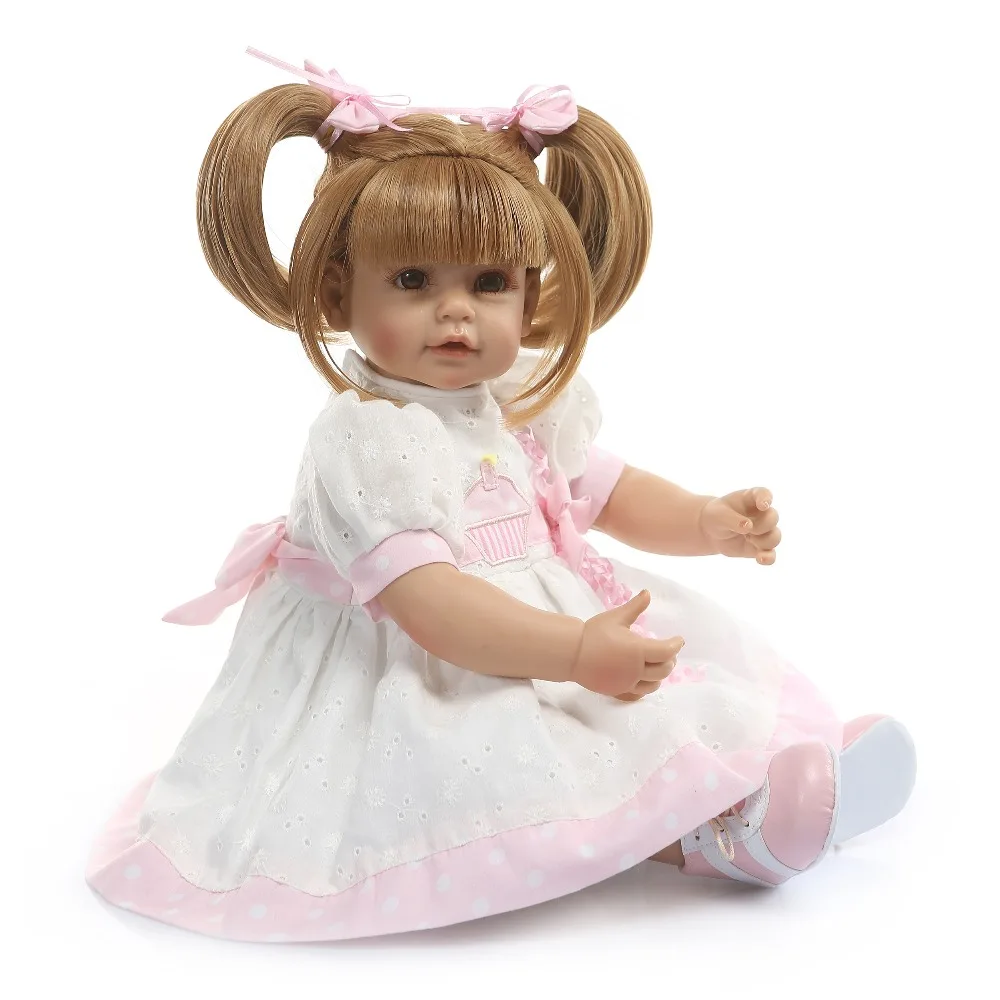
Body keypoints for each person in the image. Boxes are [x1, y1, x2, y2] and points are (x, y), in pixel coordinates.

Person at [85, 47, 916, 943]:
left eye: (488, 283)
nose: (457, 312)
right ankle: (727, 838)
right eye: (413, 281)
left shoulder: (517, 401)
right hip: (415, 664)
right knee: (521, 754)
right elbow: (434, 608)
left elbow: (608, 491)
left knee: (655, 698)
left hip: (546, 631)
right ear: (337, 291)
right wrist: (572, 651)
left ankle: (776, 766)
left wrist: (705, 521)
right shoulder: (369, 439)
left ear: (528, 294)